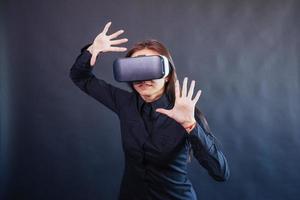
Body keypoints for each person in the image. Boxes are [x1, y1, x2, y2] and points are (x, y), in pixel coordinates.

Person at [70, 22, 230, 200]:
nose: (143, 78)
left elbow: (221, 173)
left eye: (149, 68)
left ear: (167, 73)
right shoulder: (125, 103)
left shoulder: (186, 113)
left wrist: (190, 125)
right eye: (135, 69)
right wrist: (93, 49)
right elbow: (80, 76)